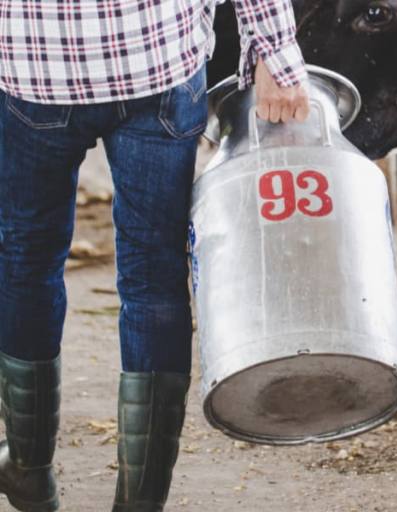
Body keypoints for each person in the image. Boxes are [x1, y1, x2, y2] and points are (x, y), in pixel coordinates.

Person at [0, 1, 309, 510]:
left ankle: (29, 471)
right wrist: (275, 51)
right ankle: (140, 504)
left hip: (37, 67)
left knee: (27, 263)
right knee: (154, 277)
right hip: (156, 59)